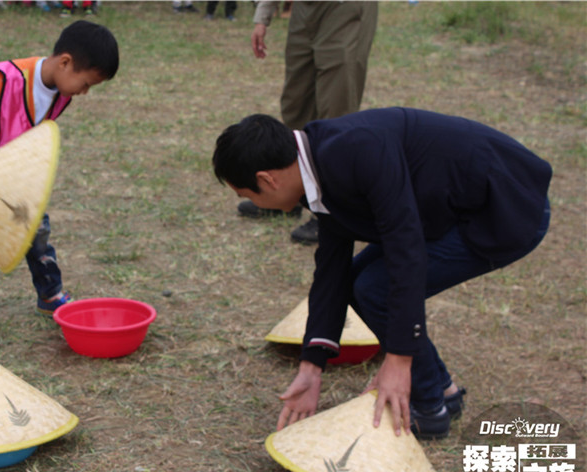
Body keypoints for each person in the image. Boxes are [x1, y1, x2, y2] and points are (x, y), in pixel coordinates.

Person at [212, 109, 552, 439]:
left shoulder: (357, 150)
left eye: (247, 195)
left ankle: (430, 409)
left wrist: (399, 359)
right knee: (359, 283)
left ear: (266, 180)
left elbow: (406, 250)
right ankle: (442, 391)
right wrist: (311, 366)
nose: (254, 204)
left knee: (375, 289)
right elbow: (332, 272)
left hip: (503, 207)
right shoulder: (316, 162)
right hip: (448, 207)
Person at [0, 20, 119, 347]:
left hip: (10, 170)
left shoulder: (61, 92)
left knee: (36, 226)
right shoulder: (5, 81)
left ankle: (50, 295)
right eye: (86, 84)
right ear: (65, 62)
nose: (85, 92)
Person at [238, 1, 378, 245]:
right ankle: (289, 195)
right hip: (305, 9)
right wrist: (262, 17)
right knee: (296, 104)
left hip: (344, 9)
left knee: (336, 109)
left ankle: (332, 211)